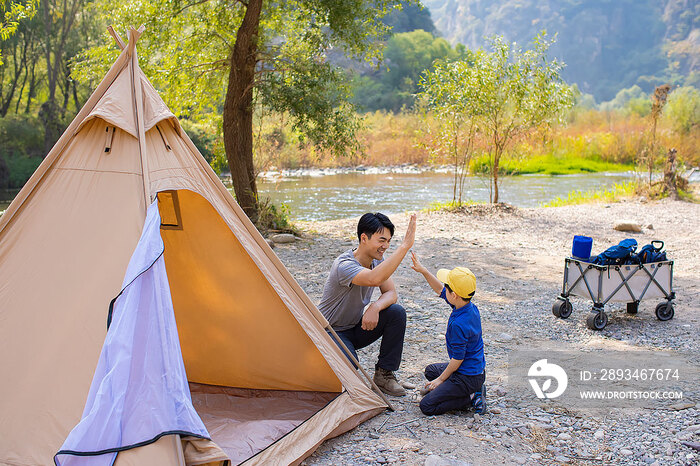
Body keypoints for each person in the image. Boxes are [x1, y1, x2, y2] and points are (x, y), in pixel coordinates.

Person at [318, 212, 416, 397]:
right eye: (381, 240)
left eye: (388, 241)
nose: (385, 246)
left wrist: (375, 307)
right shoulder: (344, 265)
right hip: (330, 332)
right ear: (364, 238)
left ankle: (384, 375)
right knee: (349, 367)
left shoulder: (377, 260)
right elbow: (374, 278)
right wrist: (404, 247)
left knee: (396, 313)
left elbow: (391, 293)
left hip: (354, 328)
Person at [410, 252, 487, 415]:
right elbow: (439, 289)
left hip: (467, 376)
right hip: (473, 370)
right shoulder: (467, 306)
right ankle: (470, 388)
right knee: (430, 371)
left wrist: (441, 380)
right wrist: (424, 271)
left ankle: (471, 397)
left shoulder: (459, 324)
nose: (444, 288)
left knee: (427, 406)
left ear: (455, 295)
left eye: (447, 286)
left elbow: (457, 359)